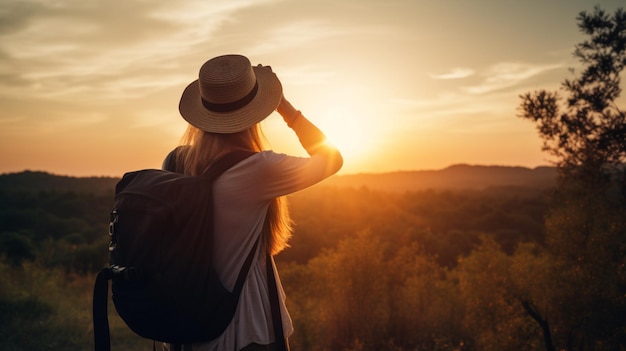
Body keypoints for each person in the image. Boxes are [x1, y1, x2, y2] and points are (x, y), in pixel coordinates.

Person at [161, 54, 343, 351]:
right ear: (254, 113)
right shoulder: (258, 169)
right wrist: (284, 106)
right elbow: (331, 159)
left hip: (189, 332)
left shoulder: (177, 161)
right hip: (249, 332)